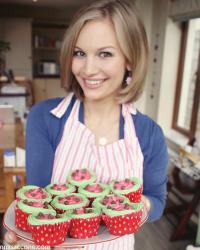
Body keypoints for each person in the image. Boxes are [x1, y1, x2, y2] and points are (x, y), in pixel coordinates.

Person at [5, 0, 168, 249]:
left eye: (105, 54)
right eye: (80, 53)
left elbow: (157, 201)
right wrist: (21, 238)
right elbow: (36, 200)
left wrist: (134, 206)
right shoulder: (45, 119)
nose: (88, 69)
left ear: (130, 60)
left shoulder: (149, 134)